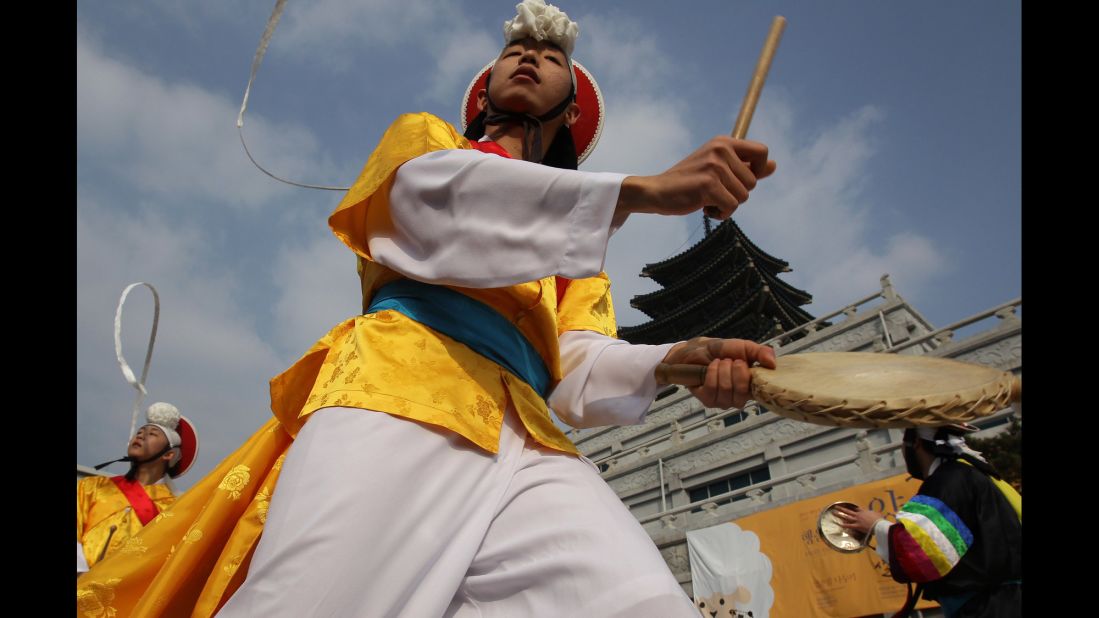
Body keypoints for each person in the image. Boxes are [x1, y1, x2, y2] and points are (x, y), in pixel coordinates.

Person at [77, 2, 777, 615]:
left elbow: (576, 369)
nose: (529, 55)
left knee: (639, 602)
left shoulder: (577, 247)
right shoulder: (427, 144)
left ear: (570, 111)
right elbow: (439, 209)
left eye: (551, 56)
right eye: (515, 49)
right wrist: (639, 191)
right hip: (396, 396)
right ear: (483, 93)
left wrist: (671, 362)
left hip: (527, 441)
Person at [835, 424, 1022, 618]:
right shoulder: (971, 473)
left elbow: (921, 553)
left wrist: (875, 525)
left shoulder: (948, 480)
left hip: (987, 608)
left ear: (915, 442)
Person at [77, 402, 198, 574]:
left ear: (169, 454)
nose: (141, 436)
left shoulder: (176, 509)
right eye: (140, 432)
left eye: (152, 434)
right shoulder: (92, 487)